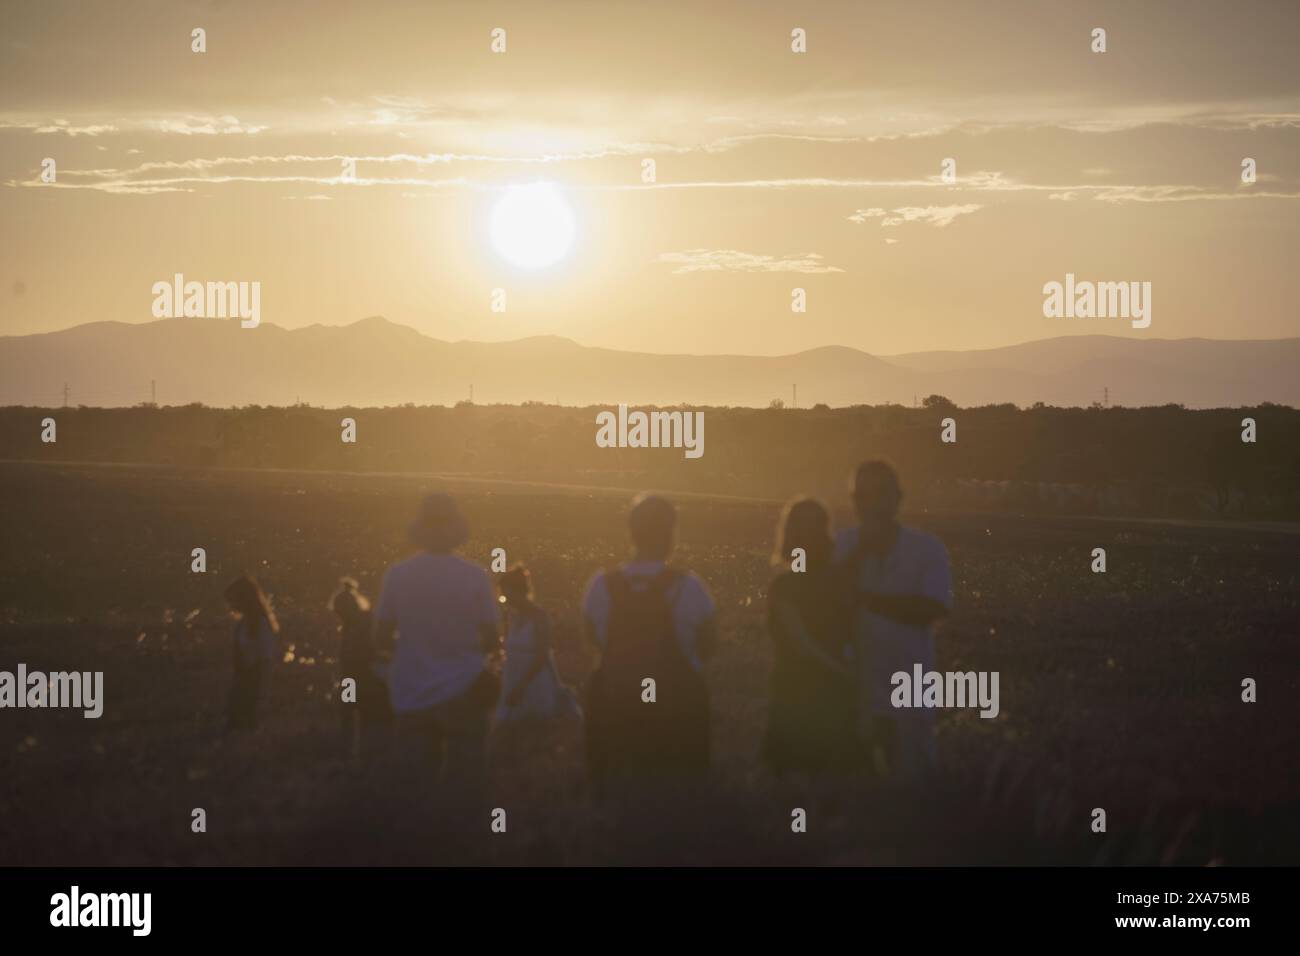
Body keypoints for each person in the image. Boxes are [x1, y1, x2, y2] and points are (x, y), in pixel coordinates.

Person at [581, 493, 717, 797]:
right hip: (677, 708)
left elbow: (592, 644)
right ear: (670, 534)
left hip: (615, 704)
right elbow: (709, 647)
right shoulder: (690, 587)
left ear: (631, 532)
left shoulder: (600, 586)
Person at [373, 494, 501, 808]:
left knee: (415, 785)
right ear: (457, 529)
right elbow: (491, 639)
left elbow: (380, 637)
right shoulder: (475, 577)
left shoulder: (397, 575)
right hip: (465, 689)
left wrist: (410, 651)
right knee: (466, 783)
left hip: (411, 690)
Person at [835, 461, 952, 780]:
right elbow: (827, 603)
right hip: (856, 681)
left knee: (914, 774)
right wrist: (860, 552)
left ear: (898, 498)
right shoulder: (842, 546)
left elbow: (931, 609)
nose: (871, 503)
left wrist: (863, 598)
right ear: (853, 501)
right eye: (862, 496)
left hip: (911, 682)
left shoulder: (928, 550)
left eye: (880, 493)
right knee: (860, 782)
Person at [764, 498, 858, 776]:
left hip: (795, 692)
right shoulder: (843, 580)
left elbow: (801, 644)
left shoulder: (785, 585)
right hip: (834, 692)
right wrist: (847, 672)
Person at [494, 564, 581, 725]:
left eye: (507, 594)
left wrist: (522, 685)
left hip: (535, 683)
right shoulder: (512, 617)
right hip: (512, 680)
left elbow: (542, 655)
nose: (505, 599)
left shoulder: (539, 617)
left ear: (517, 591)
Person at [330, 577, 393, 759]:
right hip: (367, 683)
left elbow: (352, 666)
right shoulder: (363, 623)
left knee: (363, 721)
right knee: (361, 720)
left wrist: (346, 696)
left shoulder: (360, 628)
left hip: (368, 683)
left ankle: (353, 755)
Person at [224, 573, 279, 732]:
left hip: (253, 683)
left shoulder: (261, 624)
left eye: (234, 599)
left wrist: (262, 691)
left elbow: (265, 659)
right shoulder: (243, 624)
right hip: (242, 682)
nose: (231, 604)